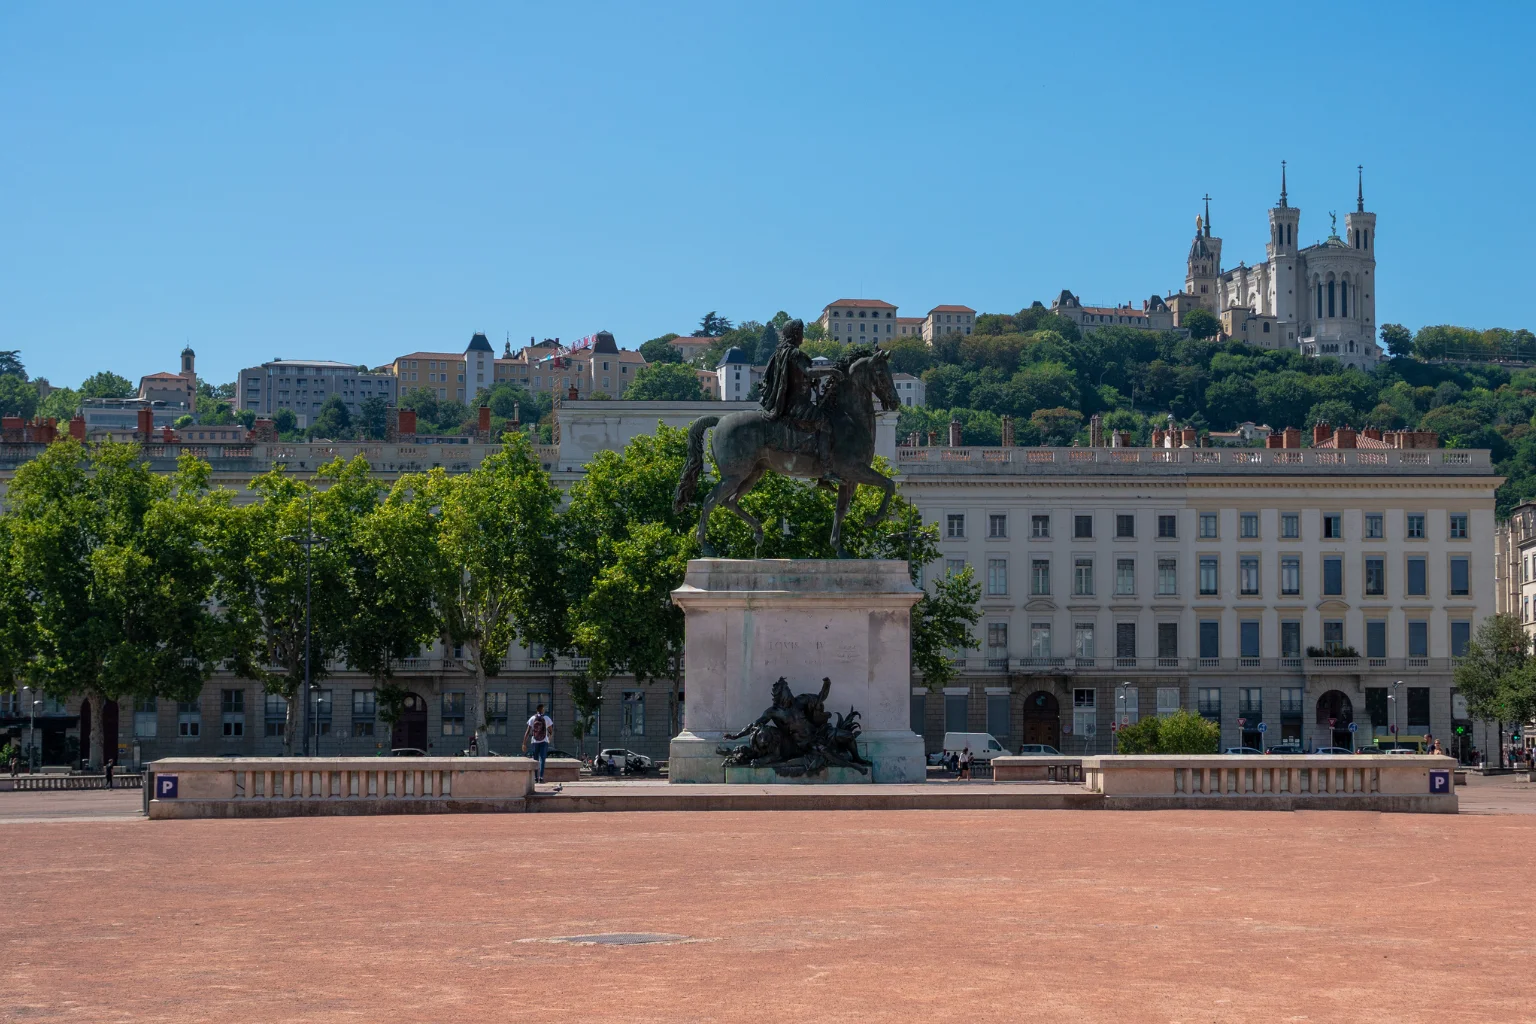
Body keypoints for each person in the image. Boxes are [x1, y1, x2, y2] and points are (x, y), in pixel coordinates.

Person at [758, 319, 845, 476]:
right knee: (826, 424)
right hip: (797, 405)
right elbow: (809, 372)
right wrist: (832, 371)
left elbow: (796, 378)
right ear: (796, 334)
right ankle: (826, 470)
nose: (803, 336)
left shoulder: (779, 353)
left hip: (785, 403)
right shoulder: (794, 353)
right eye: (802, 332)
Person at [521, 704, 554, 784]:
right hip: (544, 741)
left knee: (535, 759)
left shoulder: (532, 718)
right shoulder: (546, 718)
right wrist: (549, 737)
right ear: (542, 710)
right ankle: (541, 778)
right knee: (542, 759)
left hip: (534, 741)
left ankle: (535, 778)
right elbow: (550, 730)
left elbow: (528, 731)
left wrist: (524, 743)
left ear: (536, 710)